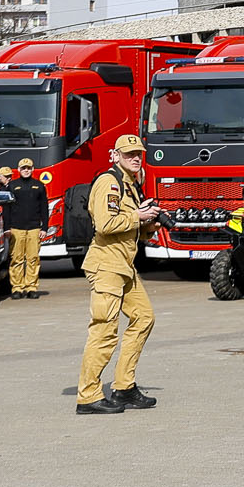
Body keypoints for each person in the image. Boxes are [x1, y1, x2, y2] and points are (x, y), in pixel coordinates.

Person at [76, 136, 160, 416]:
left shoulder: (130, 185)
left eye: (138, 154)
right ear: (116, 155)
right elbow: (105, 224)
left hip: (124, 266)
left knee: (144, 317)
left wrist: (150, 224)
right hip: (106, 265)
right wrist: (138, 216)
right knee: (104, 330)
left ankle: (124, 386)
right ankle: (88, 396)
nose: (135, 158)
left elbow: (131, 227)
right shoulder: (109, 183)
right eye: (129, 154)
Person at [4, 158, 50, 298]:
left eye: (28, 168)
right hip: (16, 228)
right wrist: (7, 228)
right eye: (23, 168)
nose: (26, 170)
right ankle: (17, 288)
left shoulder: (39, 186)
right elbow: (6, 208)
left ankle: (31, 287)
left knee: (33, 259)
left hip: (34, 228)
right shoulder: (12, 186)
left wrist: (44, 228)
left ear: (32, 169)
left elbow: (44, 208)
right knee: (16, 259)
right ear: (18, 170)